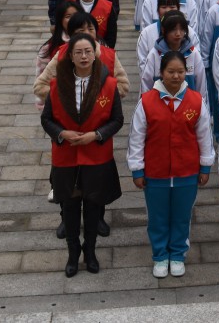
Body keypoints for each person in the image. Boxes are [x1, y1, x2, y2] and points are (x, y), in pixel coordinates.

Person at [41, 33, 124, 278]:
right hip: (66, 155)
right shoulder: (57, 85)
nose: (84, 56)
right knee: (69, 206)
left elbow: (117, 120)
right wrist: (61, 133)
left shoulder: (108, 84)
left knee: (92, 206)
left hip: (96, 155)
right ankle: (72, 252)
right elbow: (46, 119)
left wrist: (97, 134)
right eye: (79, 52)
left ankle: (90, 251)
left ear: (95, 53)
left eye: (88, 51)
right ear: (70, 56)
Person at [127, 49, 212, 279]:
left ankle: (177, 254)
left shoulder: (196, 101)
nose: (176, 76)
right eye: (171, 71)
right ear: (161, 73)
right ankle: (160, 255)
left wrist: (205, 166)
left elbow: (204, 135)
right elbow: (136, 138)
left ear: (187, 72)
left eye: (180, 71)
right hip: (156, 173)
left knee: (182, 215)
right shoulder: (146, 102)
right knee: (158, 217)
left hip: (187, 172)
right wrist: (137, 168)